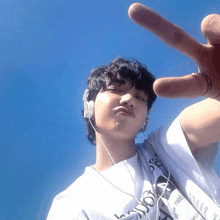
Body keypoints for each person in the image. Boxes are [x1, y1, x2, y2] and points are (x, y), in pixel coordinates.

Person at [47, 3, 220, 220]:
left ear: (146, 119)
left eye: (140, 97)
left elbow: (208, 118)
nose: (129, 99)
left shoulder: (166, 147)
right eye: (116, 90)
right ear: (90, 106)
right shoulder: (72, 204)